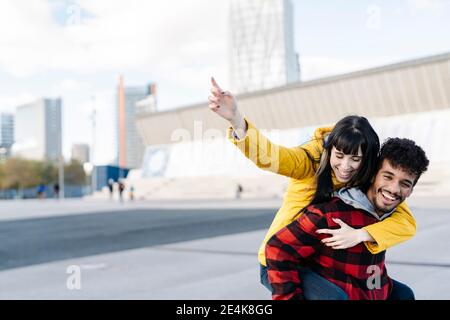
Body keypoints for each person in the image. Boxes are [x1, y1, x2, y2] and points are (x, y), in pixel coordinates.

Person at [208, 77, 417, 296]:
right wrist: (236, 120)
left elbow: (405, 221)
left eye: (355, 159)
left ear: (366, 160)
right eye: (339, 156)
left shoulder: (365, 175)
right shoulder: (310, 161)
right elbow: (271, 156)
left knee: (400, 294)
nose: (345, 167)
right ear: (330, 149)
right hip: (282, 259)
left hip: (320, 260)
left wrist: (362, 234)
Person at [265, 138, 429, 300]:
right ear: (373, 175)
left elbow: (372, 268)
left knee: (404, 295)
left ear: (411, 190)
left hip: (365, 290)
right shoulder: (330, 214)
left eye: (405, 184)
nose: (394, 189)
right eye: (387, 176)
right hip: (332, 292)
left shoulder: (389, 218)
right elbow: (277, 249)